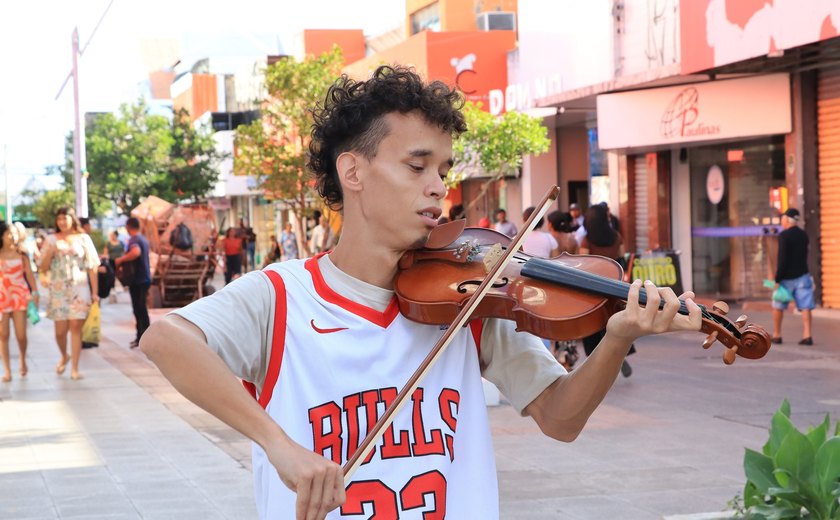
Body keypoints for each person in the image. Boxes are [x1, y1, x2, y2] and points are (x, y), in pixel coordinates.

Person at [139, 65, 700, 519]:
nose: (439, 186)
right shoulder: (280, 296)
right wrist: (276, 443)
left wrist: (616, 338)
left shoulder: (472, 301)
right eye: (417, 166)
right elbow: (166, 339)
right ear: (352, 172)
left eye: (444, 168)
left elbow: (560, 418)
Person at [38, 207, 99, 380]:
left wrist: (95, 292)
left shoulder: (83, 238)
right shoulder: (50, 239)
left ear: (72, 219)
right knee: (60, 332)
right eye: (59, 219)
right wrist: (50, 251)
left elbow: (92, 266)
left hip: (79, 288)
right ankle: (64, 355)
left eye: (65, 218)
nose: (62, 222)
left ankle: (75, 369)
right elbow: (42, 266)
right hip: (58, 290)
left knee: (75, 328)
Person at [579, 203, 634, 377]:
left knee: (593, 324)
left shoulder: (587, 240)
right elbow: (622, 260)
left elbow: (582, 263)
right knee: (613, 320)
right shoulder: (616, 237)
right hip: (613, 286)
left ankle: (597, 363)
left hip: (592, 286)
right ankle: (619, 356)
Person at [0, 222, 38, 382]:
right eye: (9, 233)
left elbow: (29, 274)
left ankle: (23, 358)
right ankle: (7, 370)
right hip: (2, 297)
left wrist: (35, 294)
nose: (12, 236)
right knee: (3, 335)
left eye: (14, 233)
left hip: (19, 296)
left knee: (21, 334)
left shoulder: (22, 253)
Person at [771, 208, 814, 345]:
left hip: (786, 279)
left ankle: (777, 334)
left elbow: (782, 259)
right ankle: (807, 335)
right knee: (805, 306)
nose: (782, 221)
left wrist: (777, 279)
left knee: (778, 305)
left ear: (787, 219)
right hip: (803, 275)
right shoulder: (803, 235)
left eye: (783, 218)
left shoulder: (784, 235)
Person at [115, 218, 152, 349]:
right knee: (141, 309)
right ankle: (143, 337)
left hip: (138, 280)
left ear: (128, 226)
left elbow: (136, 252)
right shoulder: (142, 239)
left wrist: (120, 259)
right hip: (144, 278)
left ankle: (143, 337)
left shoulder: (134, 240)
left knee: (139, 309)